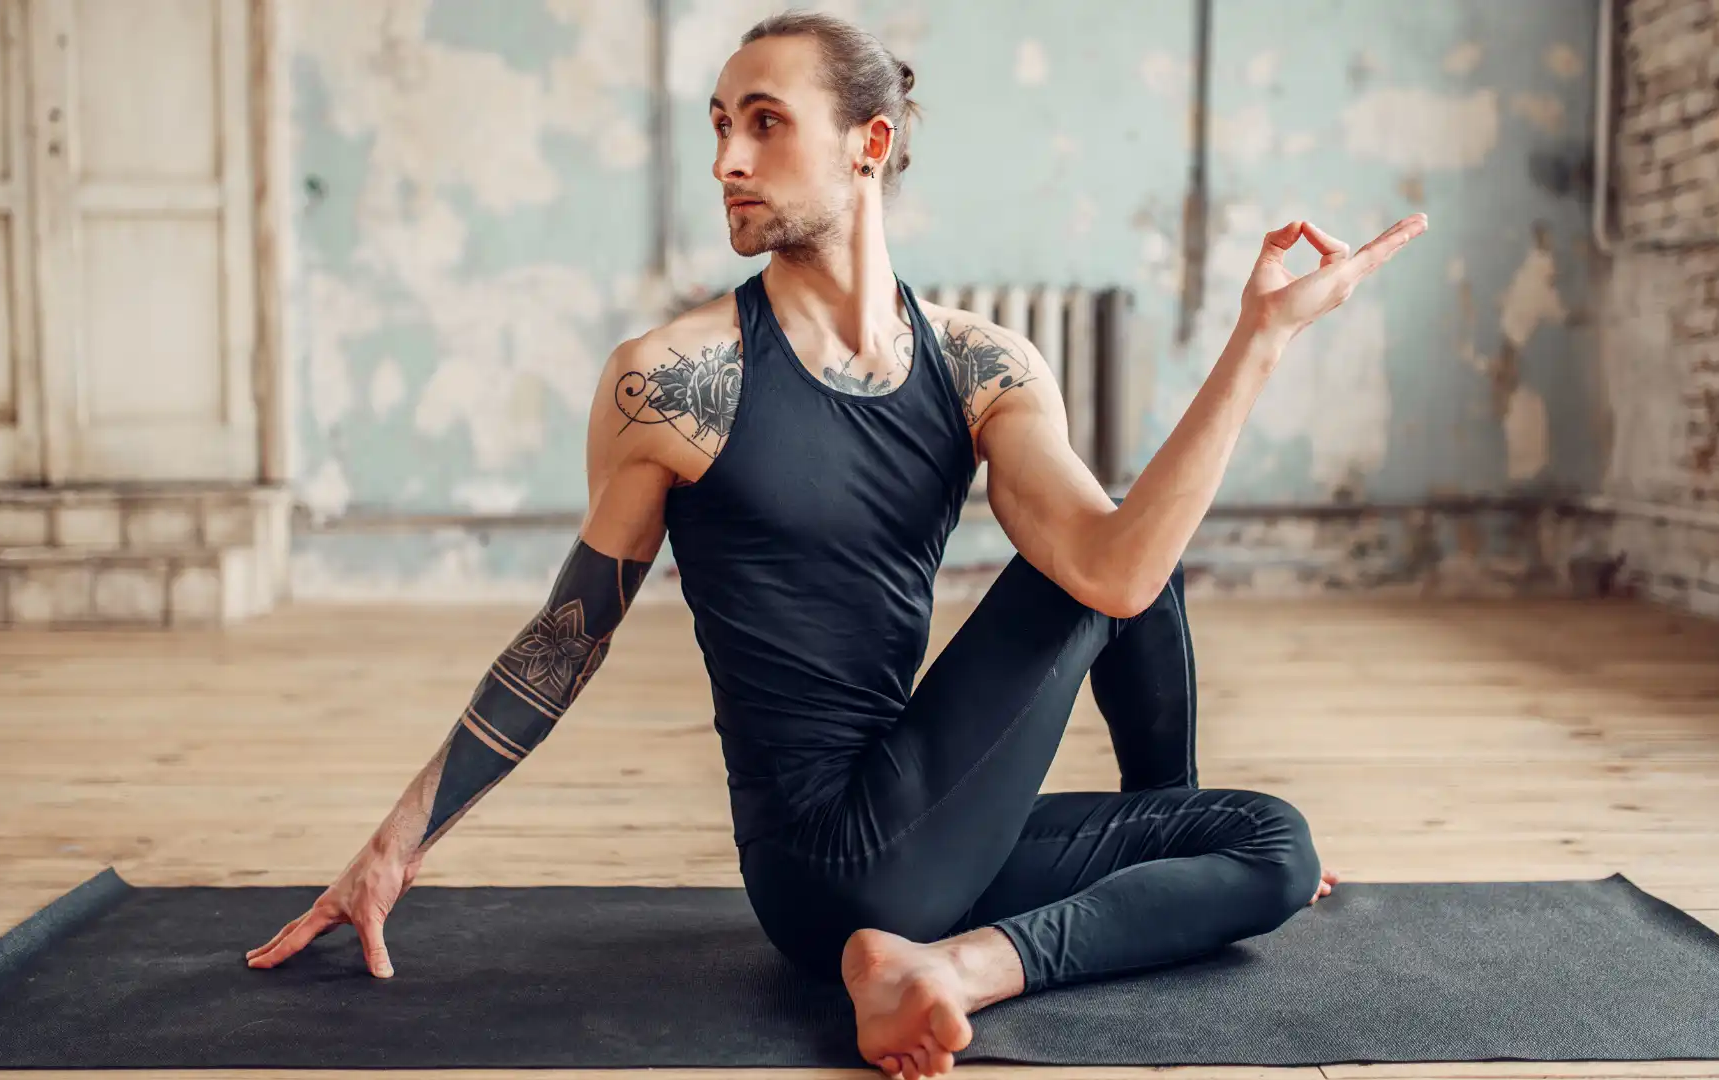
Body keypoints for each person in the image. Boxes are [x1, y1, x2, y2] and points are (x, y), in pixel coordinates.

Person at [246, 10, 1427, 1079]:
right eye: (719, 126)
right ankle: (947, 963)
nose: (727, 162)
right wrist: (395, 846)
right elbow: (562, 645)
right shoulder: (675, 383)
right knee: (1104, 560)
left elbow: (1125, 569)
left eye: (764, 125)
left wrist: (1163, 842)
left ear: (869, 144)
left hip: (924, 838)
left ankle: (946, 956)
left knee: (1271, 843)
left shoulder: (981, 365)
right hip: (819, 866)